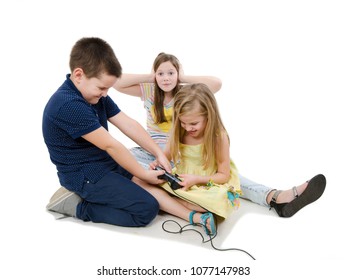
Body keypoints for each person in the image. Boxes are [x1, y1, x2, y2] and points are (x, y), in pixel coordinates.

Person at [113, 53, 326, 218]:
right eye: (161, 73)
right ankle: (170, 197)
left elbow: (215, 84)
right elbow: (117, 82)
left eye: (171, 73)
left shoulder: (187, 95)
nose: (166, 78)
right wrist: (153, 76)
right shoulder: (149, 91)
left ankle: (274, 196)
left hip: (184, 152)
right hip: (155, 151)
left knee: (225, 178)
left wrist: (179, 76)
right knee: (121, 160)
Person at [42, 38, 216, 235]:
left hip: (104, 164)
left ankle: (194, 217)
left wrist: (159, 153)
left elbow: (128, 124)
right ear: (79, 75)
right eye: (102, 88)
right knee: (146, 209)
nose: (106, 94)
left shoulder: (95, 94)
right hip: (84, 175)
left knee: (150, 185)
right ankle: (77, 206)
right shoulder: (68, 105)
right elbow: (111, 146)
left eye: (108, 88)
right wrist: (141, 174)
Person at [150, 83, 241, 220]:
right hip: (183, 181)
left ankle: (172, 203)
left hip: (208, 183)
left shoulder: (218, 137)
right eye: (183, 122)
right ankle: (190, 205)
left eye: (193, 124)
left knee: (221, 199)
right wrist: (158, 164)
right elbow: (165, 158)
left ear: (209, 116)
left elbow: (223, 175)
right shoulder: (178, 131)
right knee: (144, 181)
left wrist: (197, 179)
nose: (187, 128)